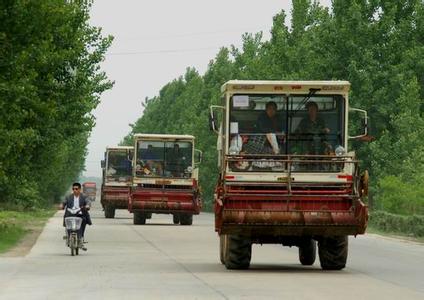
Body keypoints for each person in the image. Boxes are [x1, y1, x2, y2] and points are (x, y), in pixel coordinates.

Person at [61, 182, 92, 250]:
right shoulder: (68, 196)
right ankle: (69, 237)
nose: (74, 190)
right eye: (73, 189)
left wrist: (87, 206)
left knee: (83, 220)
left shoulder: (84, 196)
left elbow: (88, 202)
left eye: (76, 189)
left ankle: (81, 238)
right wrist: (62, 205)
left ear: (80, 189)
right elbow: (64, 201)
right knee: (68, 223)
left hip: (80, 214)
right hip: (70, 214)